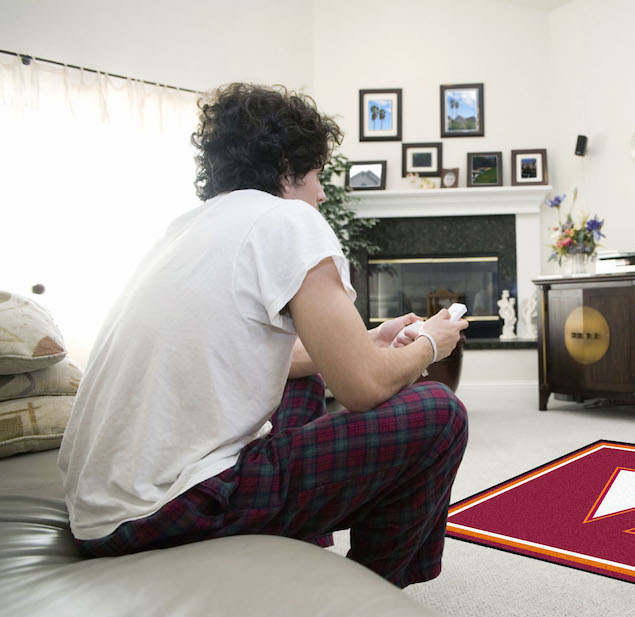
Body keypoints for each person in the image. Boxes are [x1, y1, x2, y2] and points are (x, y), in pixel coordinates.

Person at [57, 83, 469, 588]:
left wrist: (368, 339)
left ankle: (301, 540)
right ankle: (371, 596)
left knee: (300, 375)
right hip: (169, 509)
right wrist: (431, 343)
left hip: (101, 510)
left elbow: (262, 352)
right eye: (318, 175)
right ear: (288, 169)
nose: (321, 193)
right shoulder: (289, 219)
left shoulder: (188, 227)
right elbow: (363, 389)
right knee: (440, 413)